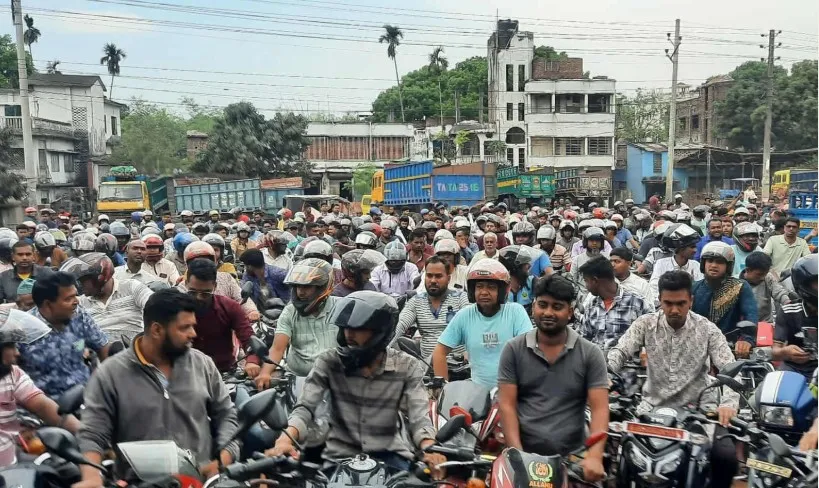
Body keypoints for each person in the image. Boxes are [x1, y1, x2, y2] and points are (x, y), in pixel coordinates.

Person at [263, 292, 445, 473]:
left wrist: (429, 448)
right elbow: (305, 408)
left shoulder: (407, 366)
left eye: (358, 328)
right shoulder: (329, 361)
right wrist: (284, 440)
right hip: (335, 454)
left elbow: (419, 416)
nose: (349, 334)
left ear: (380, 331)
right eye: (345, 328)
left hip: (390, 456)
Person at [75, 289, 240, 486]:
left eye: (193, 326)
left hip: (199, 481)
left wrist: (223, 458)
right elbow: (93, 432)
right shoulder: (111, 373)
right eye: (184, 328)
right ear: (157, 330)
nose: (193, 334)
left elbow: (226, 416)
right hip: (138, 483)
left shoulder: (203, 365)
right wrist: (91, 477)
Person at [608, 271, 740, 488]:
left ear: (691, 301)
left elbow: (729, 368)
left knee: (725, 457)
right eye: (668, 303)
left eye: (681, 303)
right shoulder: (645, 324)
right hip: (651, 408)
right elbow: (620, 350)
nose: (674, 310)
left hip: (699, 412)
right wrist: (607, 373)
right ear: (659, 300)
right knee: (619, 450)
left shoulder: (707, 329)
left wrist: (727, 404)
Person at [498, 275, 607, 482]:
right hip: (524, 453)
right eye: (543, 305)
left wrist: (594, 455)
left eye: (557, 307)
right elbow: (507, 405)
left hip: (572, 458)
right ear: (533, 307)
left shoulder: (590, 353)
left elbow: (600, 408)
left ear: (570, 312)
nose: (548, 312)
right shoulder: (513, 349)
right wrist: (517, 454)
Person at [0, 308, 81, 468]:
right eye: (11, 346)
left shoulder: (13, 374)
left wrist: (91, 437)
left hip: (13, 476)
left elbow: (44, 407)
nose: (17, 353)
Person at [432, 259, 532, 389]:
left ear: (502, 291)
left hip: (514, 393)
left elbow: (529, 351)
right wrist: (442, 389)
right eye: (479, 286)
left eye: (491, 287)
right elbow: (439, 351)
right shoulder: (465, 315)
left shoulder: (515, 312)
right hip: (476, 397)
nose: (484, 292)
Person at [18, 272, 109, 397]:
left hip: (87, 397)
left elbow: (103, 348)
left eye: (75, 295)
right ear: (48, 304)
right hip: (46, 406)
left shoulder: (79, 315)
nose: (76, 301)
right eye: (68, 298)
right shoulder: (21, 330)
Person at [255, 258, 338, 387]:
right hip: (297, 381)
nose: (300, 292)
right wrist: (265, 373)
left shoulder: (340, 307)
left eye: (307, 286)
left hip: (335, 380)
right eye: (298, 286)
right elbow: (277, 348)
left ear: (322, 287)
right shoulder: (289, 311)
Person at [184, 259, 260, 375]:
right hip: (185, 373)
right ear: (186, 283)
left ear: (215, 286)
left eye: (205, 293)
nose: (199, 297)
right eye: (193, 292)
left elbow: (248, 337)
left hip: (224, 373)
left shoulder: (230, 307)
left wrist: (252, 362)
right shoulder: (175, 308)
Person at [62, 253, 153, 343]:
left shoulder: (131, 286)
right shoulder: (80, 303)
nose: (78, 286)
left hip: (134, 351)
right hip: (98, 354)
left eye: (82, 281)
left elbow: (157, 306)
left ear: (99, 277)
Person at [392, 256, 469, 360]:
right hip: (426, 368)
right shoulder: (416, 301)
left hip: (458, 366)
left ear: (448, 278)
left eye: (438, 276)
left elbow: (473, 326)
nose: (433, 280)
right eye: (429, 276)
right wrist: (382, 348)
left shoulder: (461, 298)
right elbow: (400, 325)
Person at [692, 242, 758, 356]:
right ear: (703, 263)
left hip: (730, 346)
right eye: (710, 261)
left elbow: (750, 315)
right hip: (696, 347)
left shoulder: (740, 286)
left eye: (719, 262)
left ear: (728, 265)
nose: (713, 265)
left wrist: (746, 340)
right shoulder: (694, 287)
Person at [579, 256, 653, 346]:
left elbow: (651, 339)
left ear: (595, 280)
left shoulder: (638, 304)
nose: (586, 286)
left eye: (586, 281)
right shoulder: (591, 305)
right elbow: (583, 340)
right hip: (596, 359)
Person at [772, 255, 818, 380]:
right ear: (804, 284)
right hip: (795, 370)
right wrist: (785, 352)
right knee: (761, 397)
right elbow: (775, 350)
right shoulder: (789, 311)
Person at [648, 224, 703, 303]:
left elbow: (699, 290)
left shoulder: (695, 265)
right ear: (681, 248)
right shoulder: (661, 263)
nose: (695, 250)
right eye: (692, 247)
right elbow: (654, 288)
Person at [740, 252, 792, 323]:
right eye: (759, 274)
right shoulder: (736, 284)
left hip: (766, 323)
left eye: (765, 273)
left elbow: (778, 292)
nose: (762, 277)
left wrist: (787, 302)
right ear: (748, 270)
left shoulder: (768, 277)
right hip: (744, 324)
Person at [499, 245, 535, 313]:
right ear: (515, 267)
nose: (529, 266)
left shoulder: (532, 281)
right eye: (525, 263)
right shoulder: (499, 287)